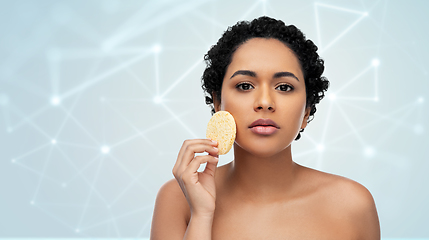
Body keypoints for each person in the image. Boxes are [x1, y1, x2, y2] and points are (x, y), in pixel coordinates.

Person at [150, 16, 380, 240]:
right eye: (245, 85)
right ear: (218, 103)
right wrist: (201, 215)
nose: (265, 102)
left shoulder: (353, 204)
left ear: (307, 111)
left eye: (284, 87)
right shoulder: (178, 198)